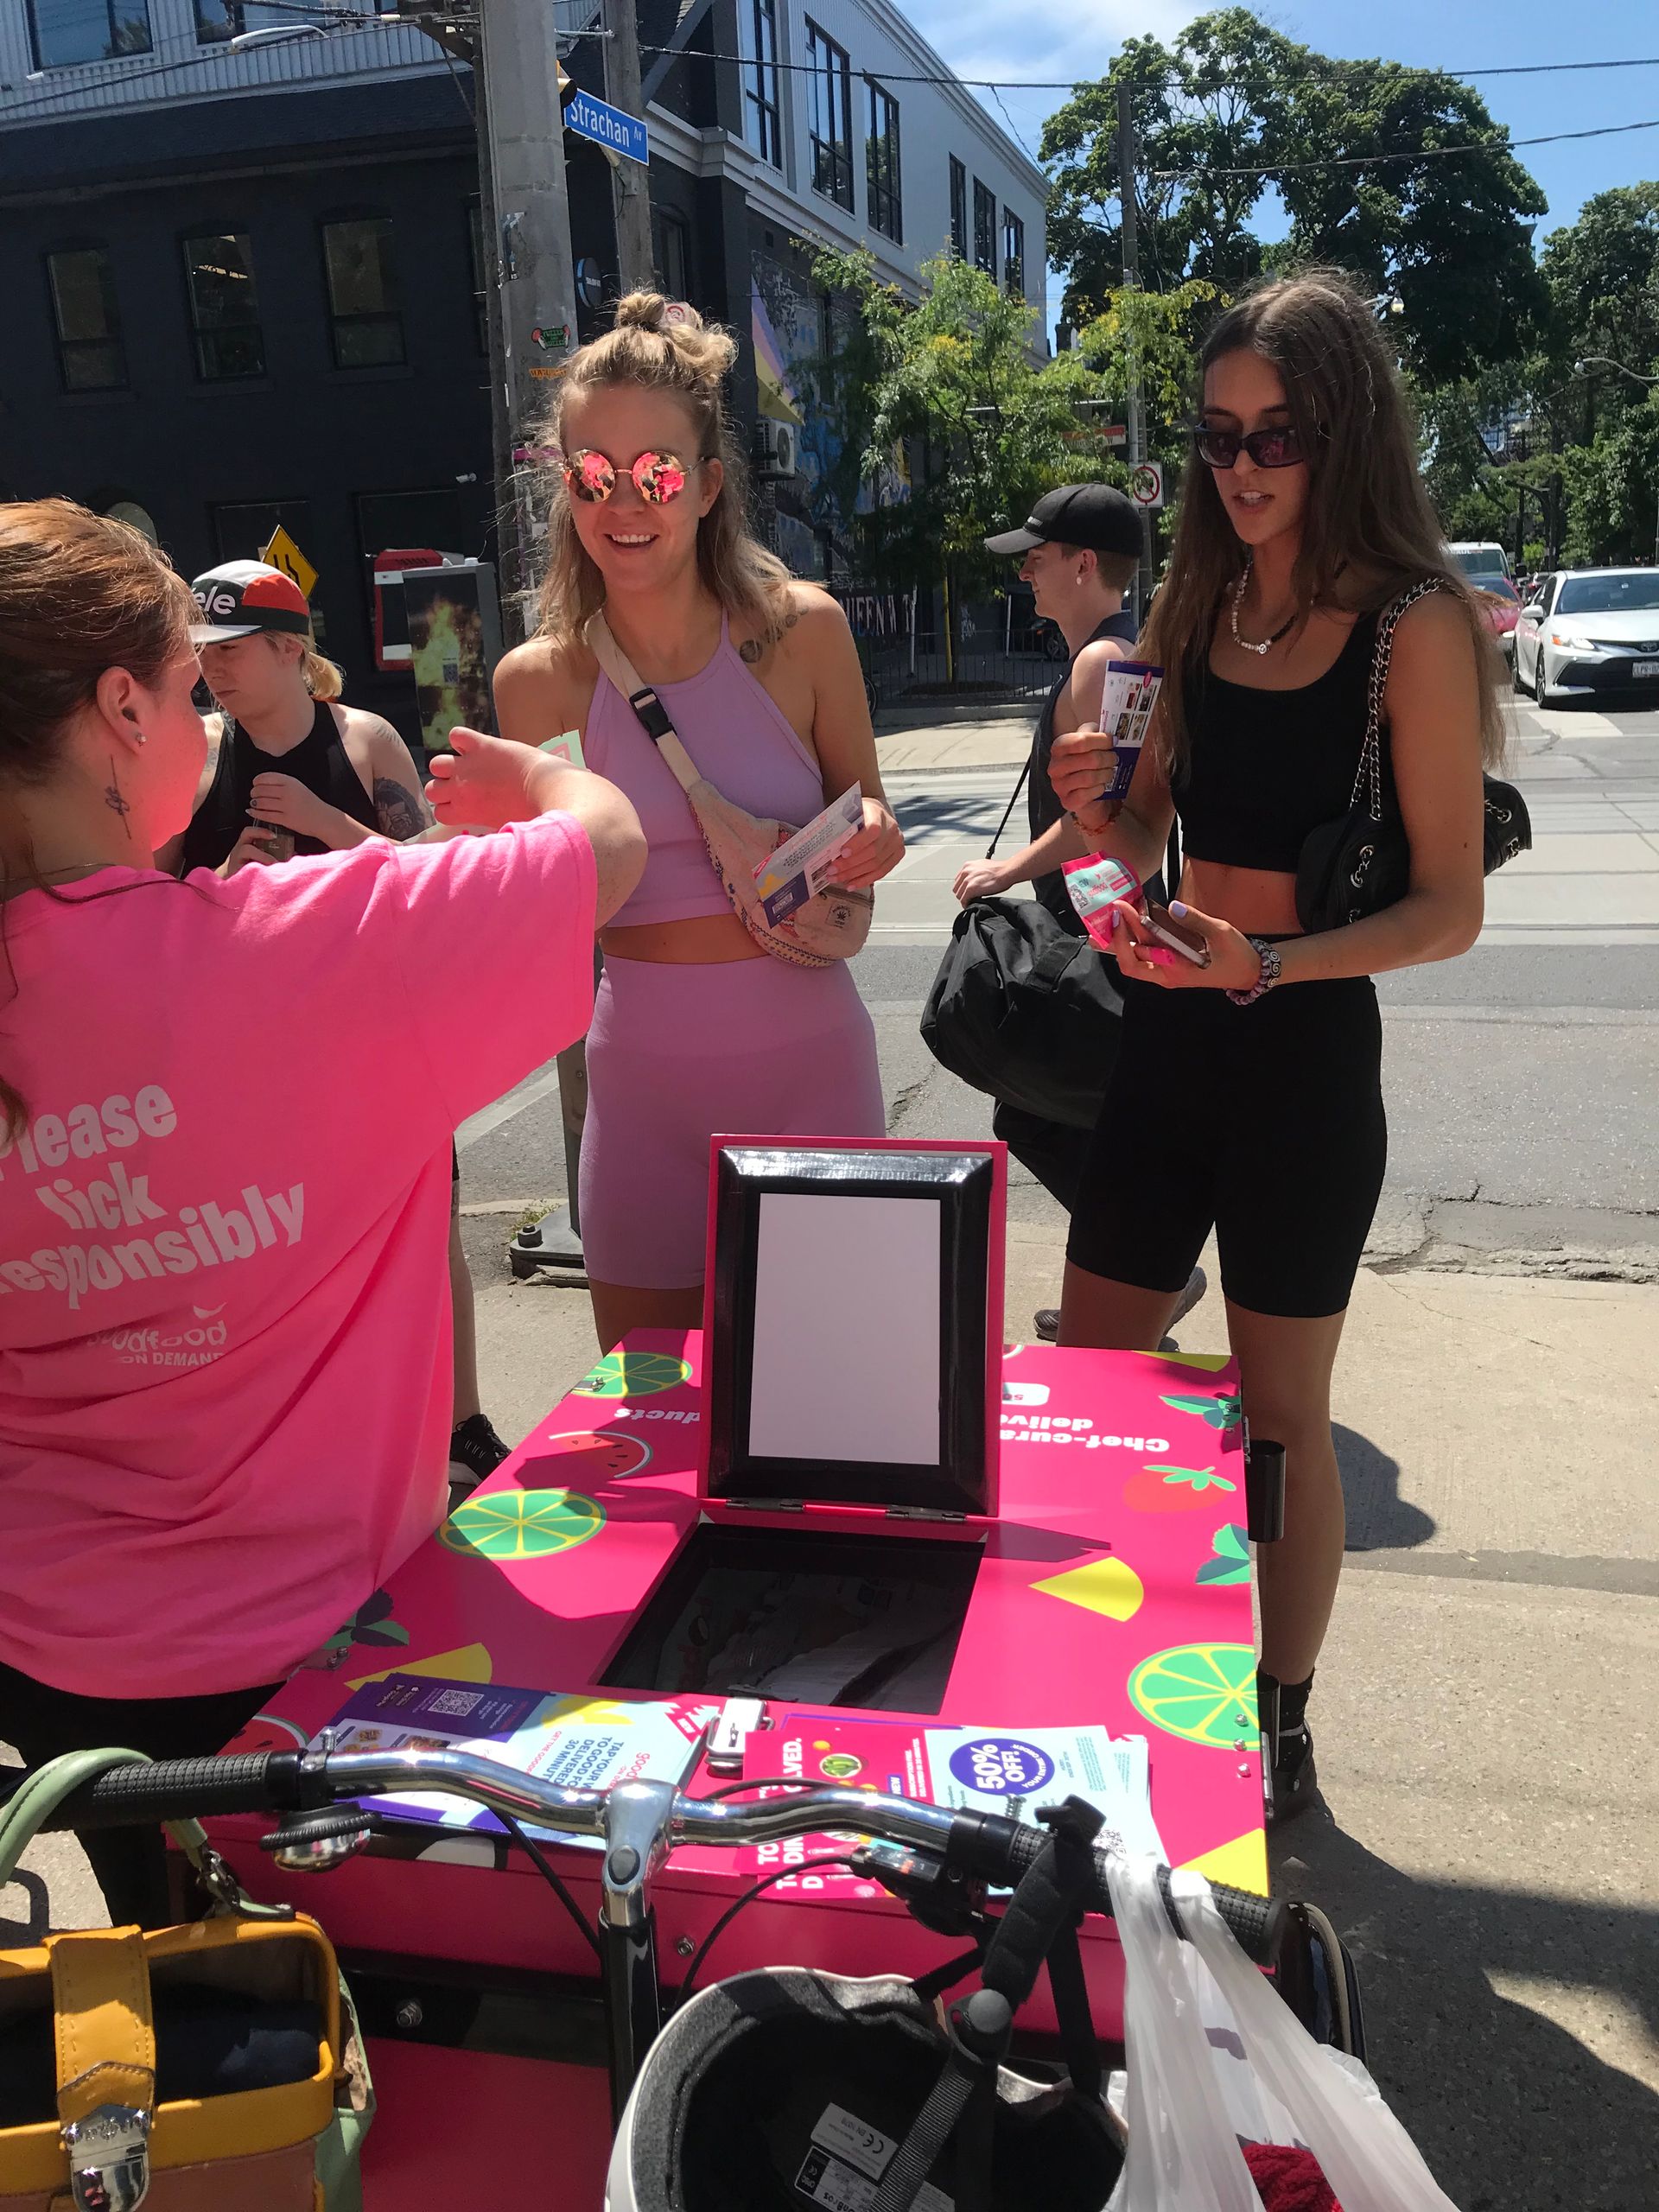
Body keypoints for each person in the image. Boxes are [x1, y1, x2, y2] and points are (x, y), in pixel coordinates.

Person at [0, 499, 645, 1924]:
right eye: (186, 689)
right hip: (313, 1646)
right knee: (362, 2022)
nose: (210, 719)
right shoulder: (300, 953)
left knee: (179, 1996)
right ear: (118, 708)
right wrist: (543, 777)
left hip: (52, 1663)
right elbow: (607, 852)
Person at [1047, 271, 1497, 1821]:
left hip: (1304, 1060)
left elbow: (1448, 909)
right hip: (1168, 1037)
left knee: (1282, 1422)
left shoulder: (1412, 626)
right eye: (1218, 436)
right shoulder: (1197, 603)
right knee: (1095, 1377)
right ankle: (1105, 1687)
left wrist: (1279, 962)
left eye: (1278, 437)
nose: (1242, 468)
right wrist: (1112, 818)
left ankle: (1277, 1718)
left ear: (1343, 433)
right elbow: (1164, 818)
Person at [492, 293, 905, 1353]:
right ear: (565, 484)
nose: (626, 500)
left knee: (835, 1414)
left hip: (811, 1074)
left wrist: (874, 837)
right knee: (652, 1433)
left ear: (709, 485)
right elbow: (527, 907)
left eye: (659, 473)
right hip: (637, 1101)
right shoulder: (534, 685)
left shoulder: (803, 630)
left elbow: (867, 805)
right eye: (594, 472)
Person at [166, 560, 512, 1496]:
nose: (215, 672)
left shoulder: (360, 742)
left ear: (291, 650)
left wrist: (329, 824)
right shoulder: (196, 756)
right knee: (282, 1260)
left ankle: (461, 1422)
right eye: (204, 653)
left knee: (425, 1234)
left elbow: (428, 879)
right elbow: (146, 915)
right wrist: (220, 889)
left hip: (378, 1043)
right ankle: (322, 1441)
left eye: (231, 650)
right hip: (254, 1063)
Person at [952, 484, 1205, 1344]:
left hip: (1098, 929)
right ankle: (1138, 1282)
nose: (1026, 571)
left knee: (1040, 1102)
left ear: (1084, 564)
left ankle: (1148, 1276)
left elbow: (1110, 808)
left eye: (1037, 555)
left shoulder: (1107, 662)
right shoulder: (1101, 657)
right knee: (1056, 1108)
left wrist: (1005, 870)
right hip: (1096, 926)